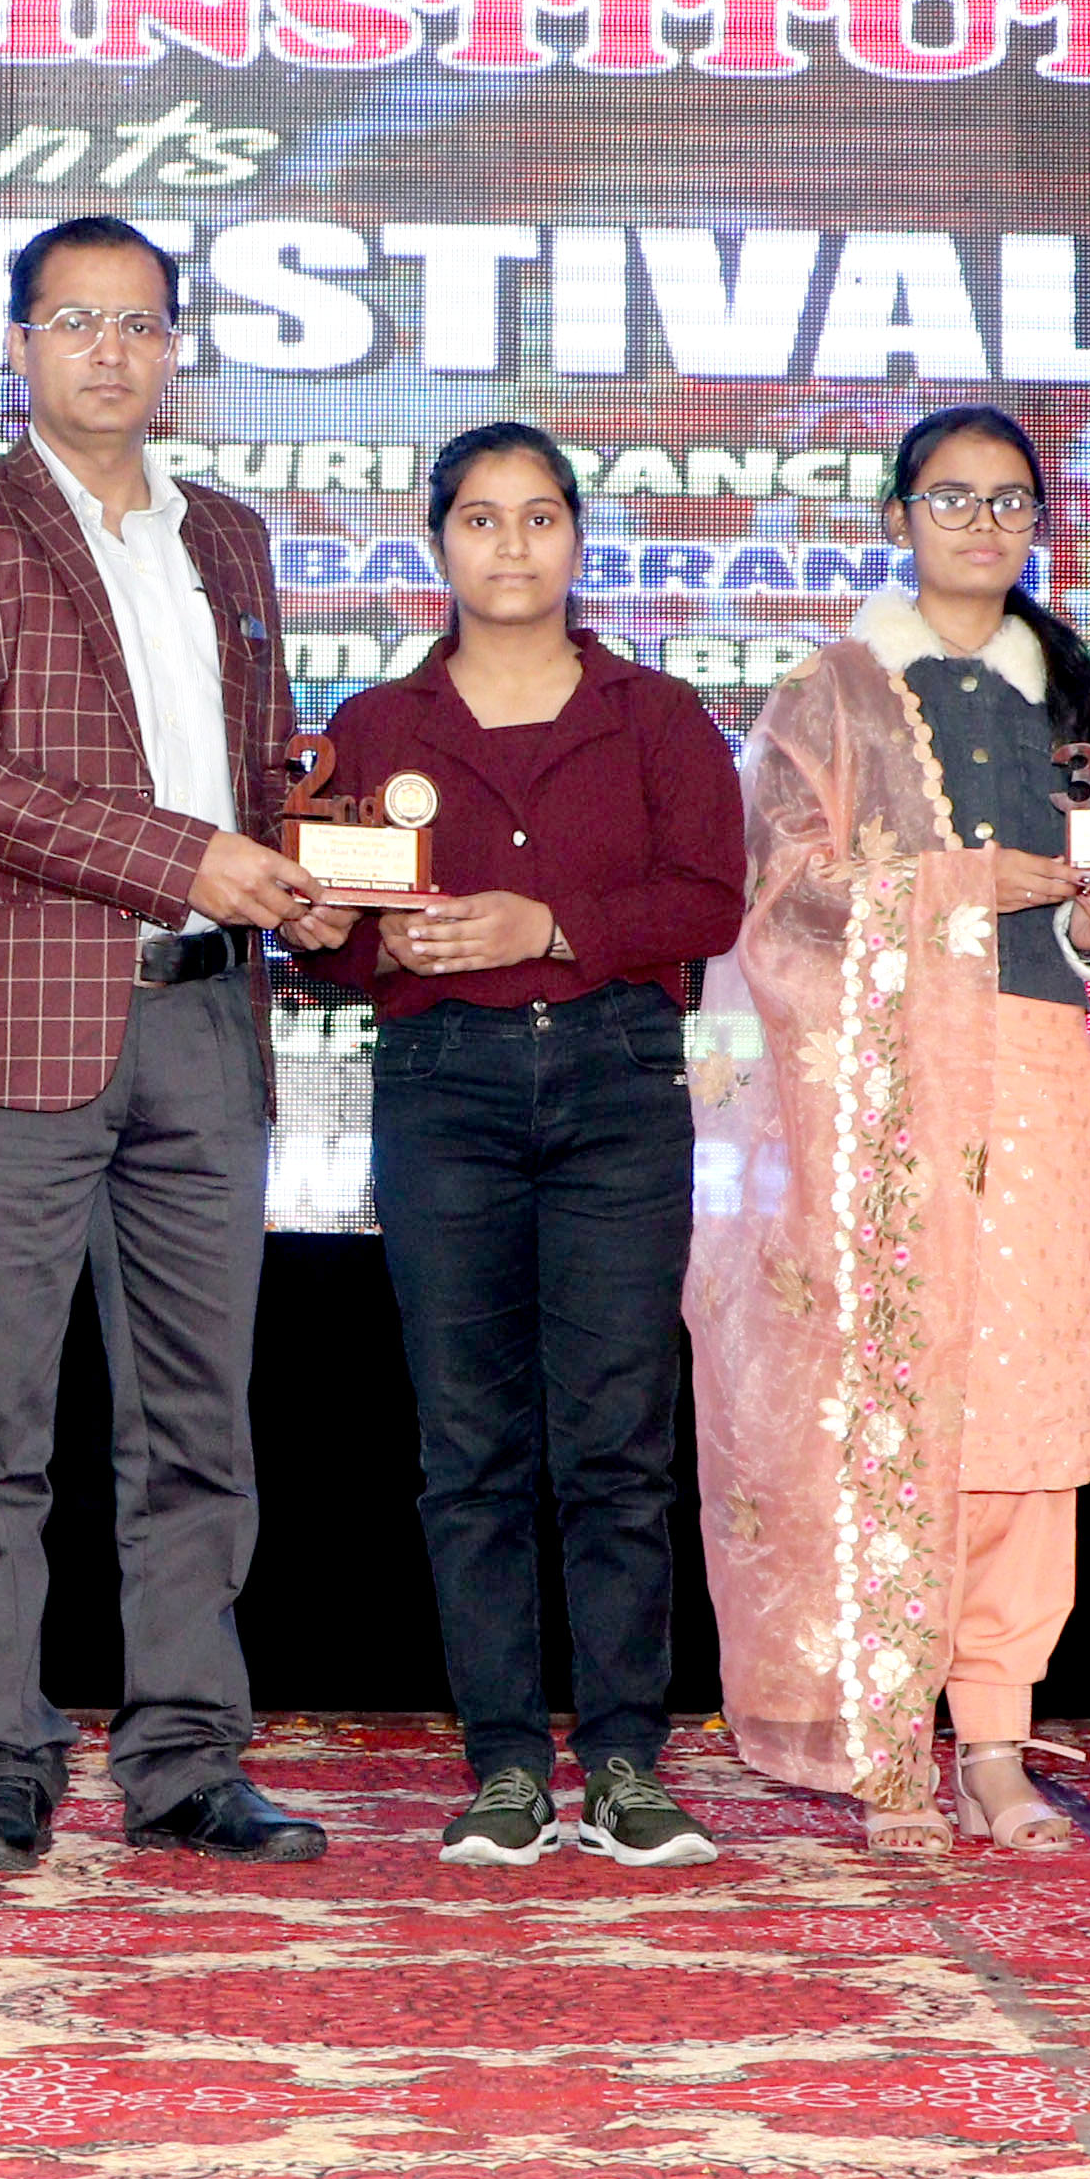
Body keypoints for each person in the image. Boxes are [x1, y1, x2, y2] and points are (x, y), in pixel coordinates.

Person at [0, 216, 335, 1874]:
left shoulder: (232, 535)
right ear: (18, 345)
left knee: (201, 1426)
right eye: (76, 321)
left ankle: (189, 1759)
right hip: (11, 1035)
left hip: (205, 1018)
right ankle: (2, 1763)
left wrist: (312, 863)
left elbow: (257, 765)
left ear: (175, 349)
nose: (111, 352)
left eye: (140, 323)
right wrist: (188, 857)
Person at [693, 403, 1090, 1851]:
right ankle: (884, 1731)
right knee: (892, 1405)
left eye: (1009, 501)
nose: (980, 524)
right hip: (880, 1091)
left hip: (1038, 1081)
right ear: (896, 517)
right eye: (950, 498)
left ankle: (997, 1741)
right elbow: (785, 892)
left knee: (1023, 1414)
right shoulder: (832, 692)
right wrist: (969, 880)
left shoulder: (1076, 699)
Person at [294, 423, 743, 1866]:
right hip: (445, 1087)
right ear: (436, 543)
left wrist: (549, 925)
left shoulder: (656, 713)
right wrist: (345, 938)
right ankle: (502, 1763)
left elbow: (711, 900)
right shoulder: (375, 725)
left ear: (577, 540)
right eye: (480, 519)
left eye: (539, 516)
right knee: (469, 1445)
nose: (511, 545)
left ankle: (623, 1759)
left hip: (619, 1082)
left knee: (618, 1443)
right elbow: (332, 936)